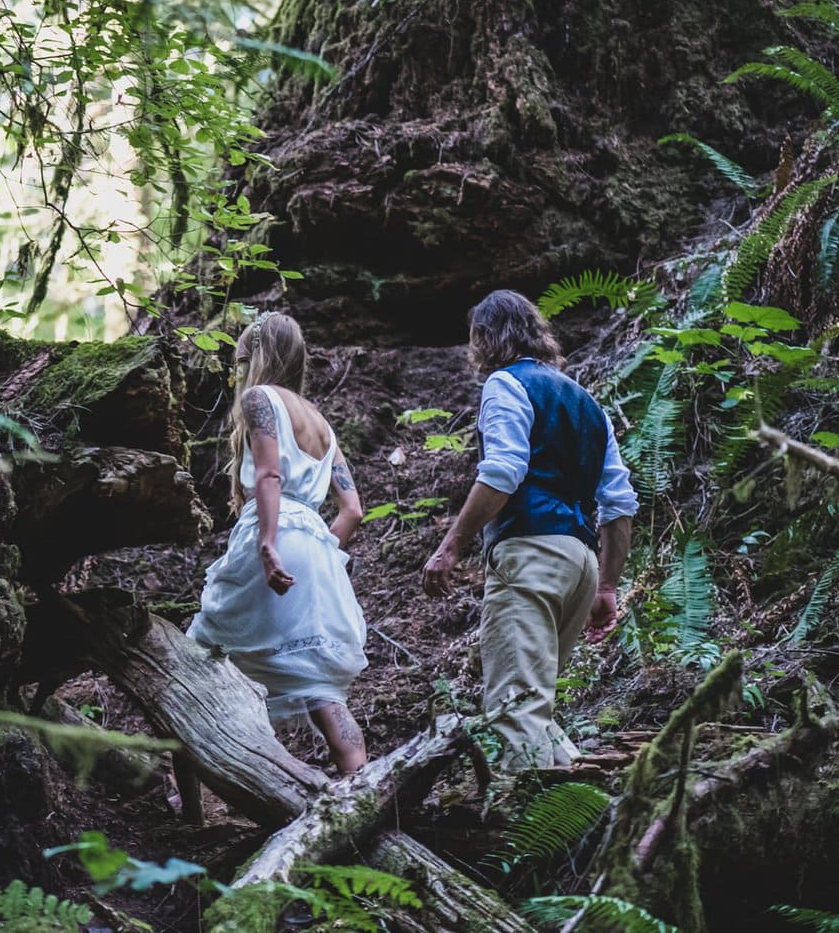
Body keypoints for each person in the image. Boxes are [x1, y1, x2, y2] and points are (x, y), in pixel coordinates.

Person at [419, 290, 637, 769]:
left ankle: (528, 834)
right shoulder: (588, 403)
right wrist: (606, 586)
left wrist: (451, 546)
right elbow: (619, 503)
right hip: (580, 564)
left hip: (531, 556)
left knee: (514, 709)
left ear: (486, 338)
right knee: (536, 709)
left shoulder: (506, 384)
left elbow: (502, 470)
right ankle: (582, 812)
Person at [187, 312, 371, 773]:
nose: (240, 372)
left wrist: (270, 544)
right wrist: (317, 552)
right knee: (316, 682)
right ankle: (363, 786)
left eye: (243, 359)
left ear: (259, 357)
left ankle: (189, 801)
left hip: (271, 533)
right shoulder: (321, 423)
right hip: (313, 546)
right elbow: (353, 509)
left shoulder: (259, 399)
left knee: (199, 658)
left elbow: (269, 474)